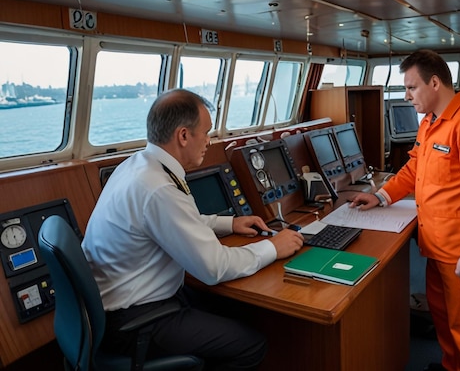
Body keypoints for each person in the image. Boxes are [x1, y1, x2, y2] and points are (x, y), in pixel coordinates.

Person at [82, 89, 304, 370]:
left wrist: (230, 223)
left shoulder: (139, 166)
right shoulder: (158, 188)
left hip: (124, 306)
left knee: (240, 311)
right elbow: (214, 268)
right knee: (251, 345)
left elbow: (180, 221)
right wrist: (274, 246)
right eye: (207, 132)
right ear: (184, 135)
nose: (209, 142)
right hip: (136, 322)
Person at [350, 50, 460, 371]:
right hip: (437, 247)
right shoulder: (431, 123)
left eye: (411, 88)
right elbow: (413, 169)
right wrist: (380, 196)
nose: (406, 97)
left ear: (434, 83)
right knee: (446, 319)